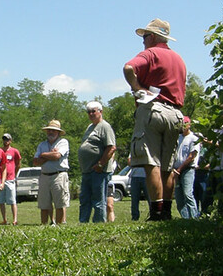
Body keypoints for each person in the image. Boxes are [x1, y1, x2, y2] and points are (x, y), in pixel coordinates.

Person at [123, 18, 187, 221]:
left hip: (154, 109)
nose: (142, 41)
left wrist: (137, 88)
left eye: (144, 36)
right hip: (176, 114)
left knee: (152, 163)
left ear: (152, 37)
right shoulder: (179, 59)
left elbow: (128, 68)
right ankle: (167, 212)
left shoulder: (150, 53)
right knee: (168, 166)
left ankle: (156, 213)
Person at [78, 101, 116, 223]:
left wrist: (100, 164)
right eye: (88, 112)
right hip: (87, 170)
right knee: (84, 199)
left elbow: (111, 147)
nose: (91, 114)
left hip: (99, 171)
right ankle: (83, 222)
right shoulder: (90, 127)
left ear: (100, 111)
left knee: (98, 200)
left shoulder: (105, 127)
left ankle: (98, 224)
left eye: (93, 111)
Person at [33, 120, 70, 225]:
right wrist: (48, 154)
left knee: (60, 204)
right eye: (49, 130)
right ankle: (44, 226)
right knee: (44, 205)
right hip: (44, 176)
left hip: (59, 175)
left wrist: (43, 155)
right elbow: (35, 162)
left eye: (54, 130)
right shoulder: (42, 145)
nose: (51, 132)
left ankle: (59, 225)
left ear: (58, 132)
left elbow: (57, 156)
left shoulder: (63, 142)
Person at [169, 116, 201, 219]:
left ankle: (195, 217)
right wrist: (174, 168)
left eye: (185, 124)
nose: (183, 126)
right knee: (179, 197)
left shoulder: (194, 138)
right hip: (177, 170)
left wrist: (180, 169)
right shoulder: (178, 138)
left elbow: (191, 156)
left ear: (189, 125)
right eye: (181, 124)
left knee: (188, 194)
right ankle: (185, 218)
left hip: (187, 170)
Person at [0, 133, 22, 225]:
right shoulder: (0, 151)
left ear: (10, 141)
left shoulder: (14, 151)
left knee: (12, 200)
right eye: (4, 139)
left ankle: (14, 220)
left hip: (10, 179)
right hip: (0, 180)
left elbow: (18, 164)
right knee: (1, 201)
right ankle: (4, 219)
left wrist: (14, 173)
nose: (6, 141)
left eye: (7, 139)